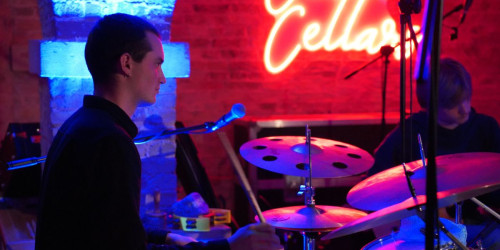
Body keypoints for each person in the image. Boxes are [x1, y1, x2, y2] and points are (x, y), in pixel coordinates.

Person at [35, 13, 282, 250]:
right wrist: (229, 247)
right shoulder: (110, 141)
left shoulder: (80, 125)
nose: (162, 78)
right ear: (127, 63)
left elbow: (103, 229)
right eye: (157, 64)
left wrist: (165, 236)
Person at [368, 58, 500, 249]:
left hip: (479, 227)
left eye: (466, 98)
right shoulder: (411, 131)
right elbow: (374, 184)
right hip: (427, 232)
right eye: (453, 104)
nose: (464, 109)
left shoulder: (486, 128)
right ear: (432, 104)